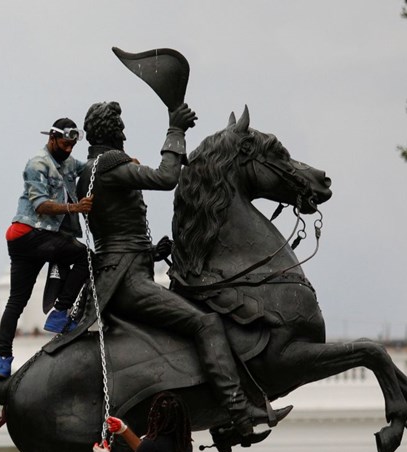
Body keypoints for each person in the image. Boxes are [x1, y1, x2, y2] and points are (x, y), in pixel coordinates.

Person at [70, 100, 290, 431]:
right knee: (206, 324)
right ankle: (239, 412)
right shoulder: (107, 165)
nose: (125, 134)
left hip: (128, 269)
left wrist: (152, 252)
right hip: (127, 282)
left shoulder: (95, 168)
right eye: (122, 128)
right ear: (114, 132)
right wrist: (176, 130)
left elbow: (117, 234)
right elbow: (166, 177)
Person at [0, 118, 93, 378]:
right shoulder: (37, 164)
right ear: (52, 138)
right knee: (86, 257)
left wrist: (124, 163)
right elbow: (40, 205)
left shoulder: (68, 162)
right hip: (29, 234)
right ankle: (60, 313)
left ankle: (2, 361)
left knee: (17, 301)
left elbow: (90, 168)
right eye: (65, 143)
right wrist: (74, 207)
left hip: (33, 238)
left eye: (73, 144)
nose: (69, 148)